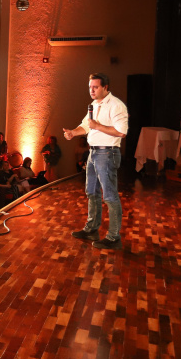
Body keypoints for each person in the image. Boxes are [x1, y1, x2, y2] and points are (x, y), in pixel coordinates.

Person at [63, 72, 129, 250]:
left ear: (105, 87)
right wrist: (73, 133)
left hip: (107, 153)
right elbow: (86, 126)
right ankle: (91, 229)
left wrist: (98, 126)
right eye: (90, 87)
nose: (91, 90)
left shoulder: (116, 105)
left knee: (110, 196)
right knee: (91, 192)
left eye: (95, 87)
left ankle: (114, 237)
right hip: (93, 153)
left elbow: (121, 131)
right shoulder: (94, 105)